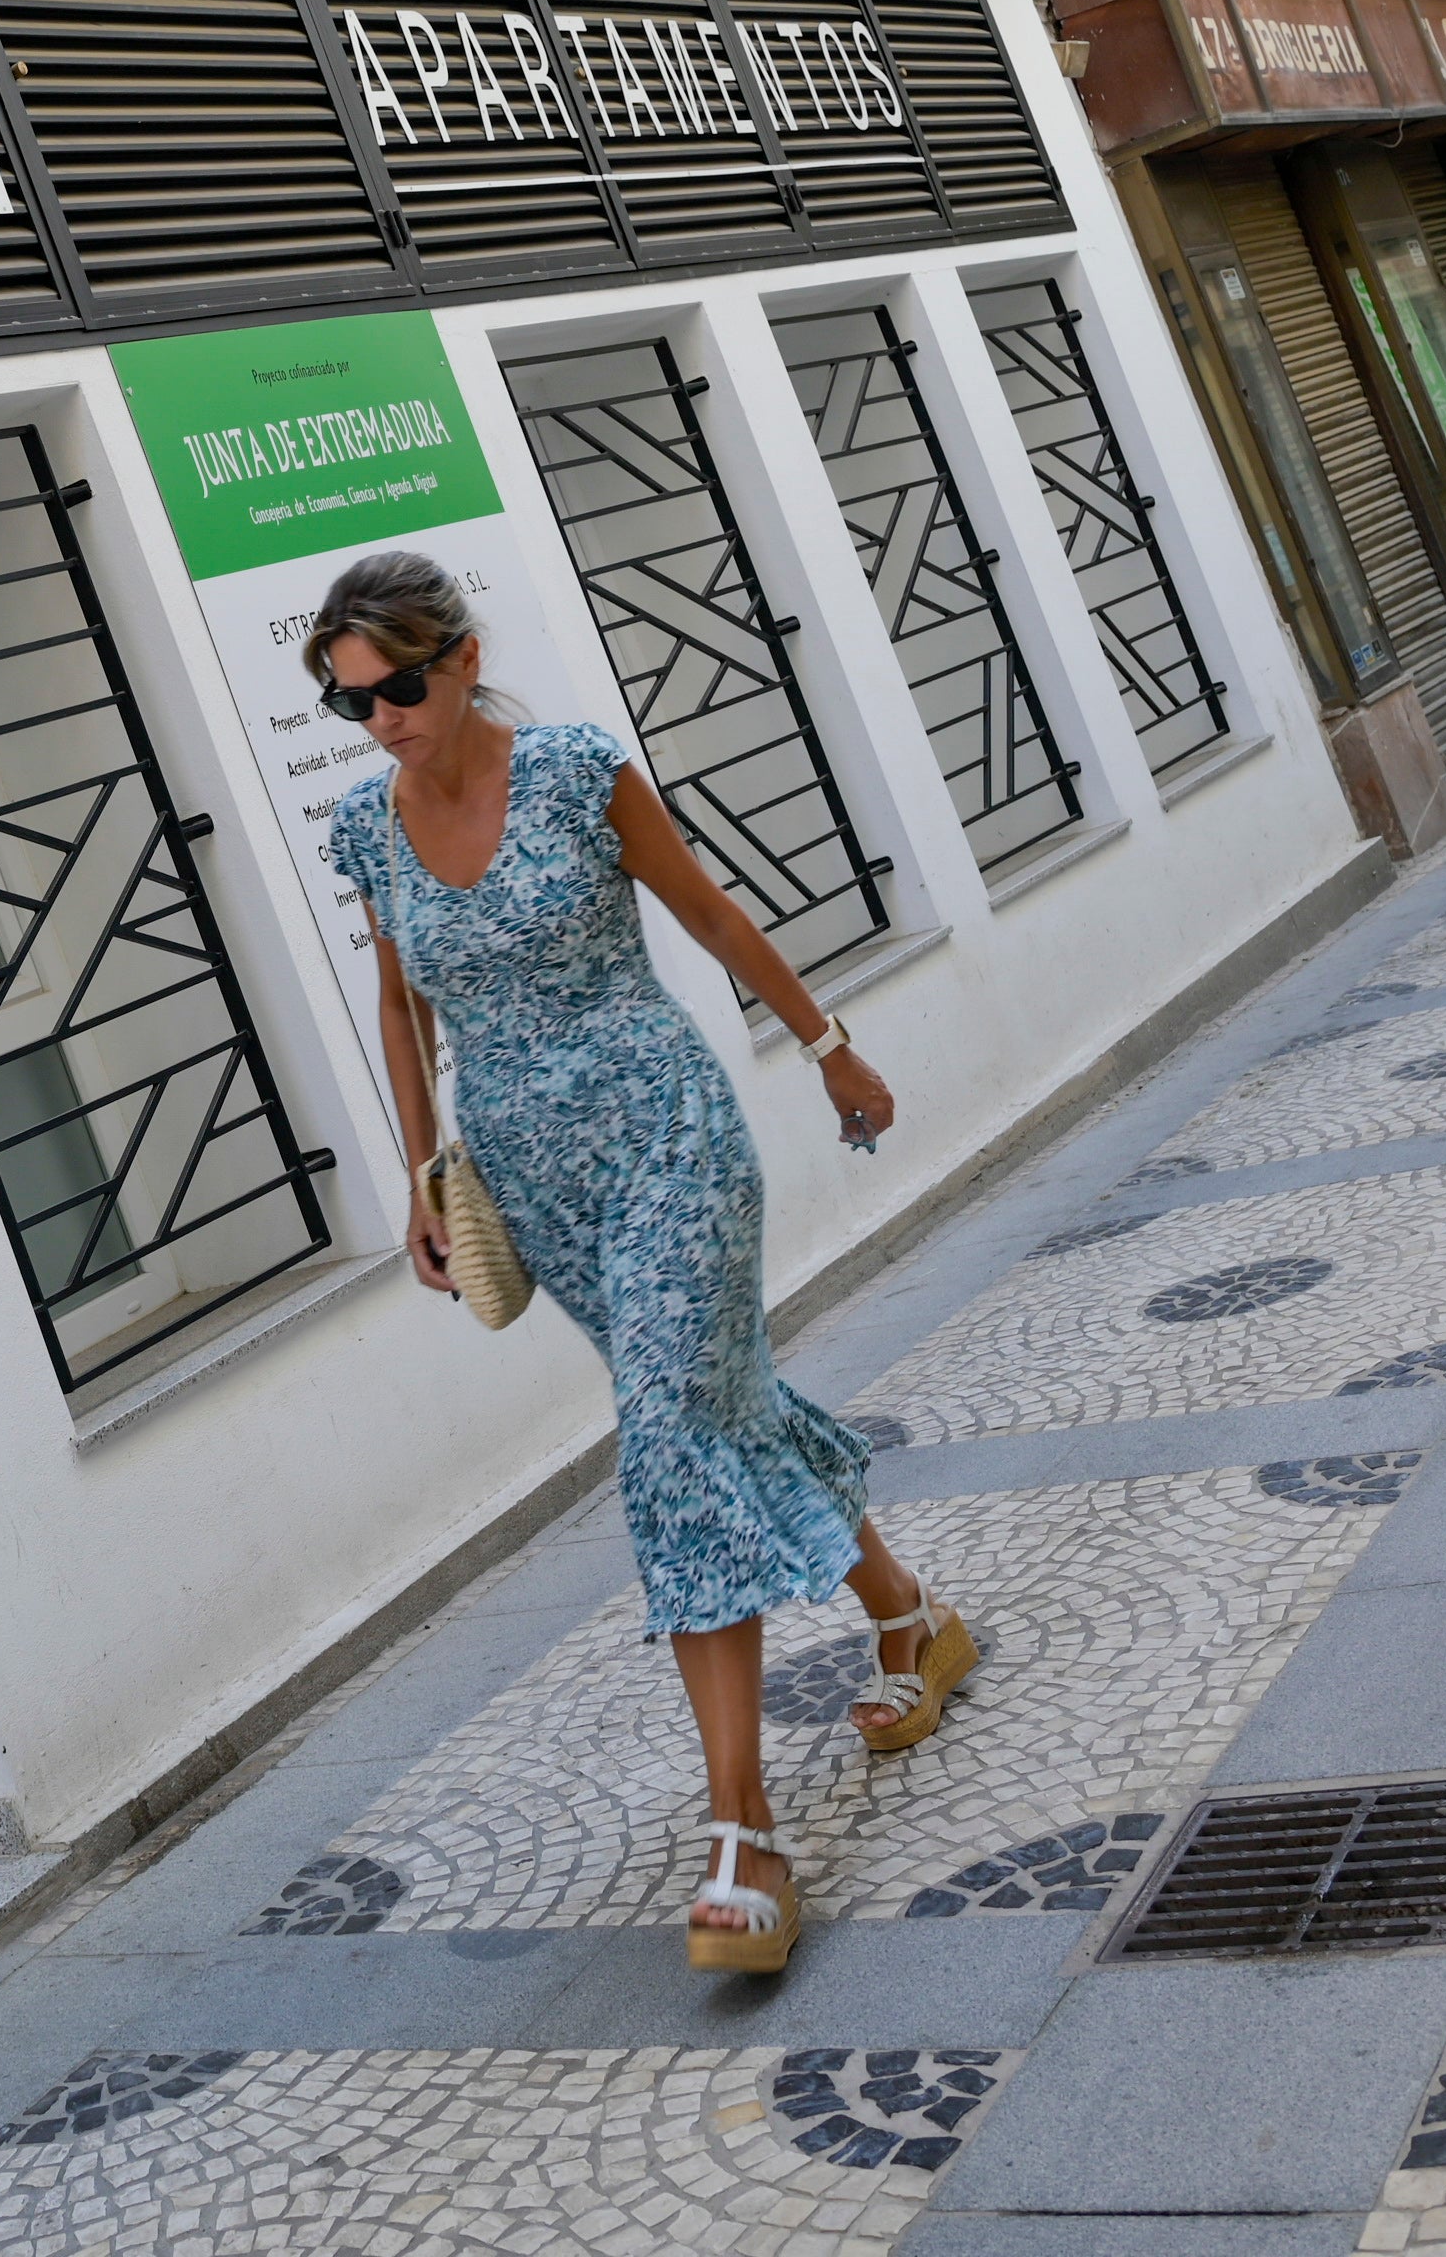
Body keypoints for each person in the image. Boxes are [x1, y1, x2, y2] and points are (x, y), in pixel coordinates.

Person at [314, 550, 966, 1975]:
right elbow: (402, 1009)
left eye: (401, 689)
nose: (383, 723)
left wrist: (830, 1043)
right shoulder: (371, 829)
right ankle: (914, 1617)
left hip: (667, 1131)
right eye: (351, 702)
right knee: (716, 1407)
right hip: (537, 1183)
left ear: (463, 659)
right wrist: (423, 1175)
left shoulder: (572, 772)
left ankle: (746, 1837)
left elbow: (710, 914)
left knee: (667, 1435)